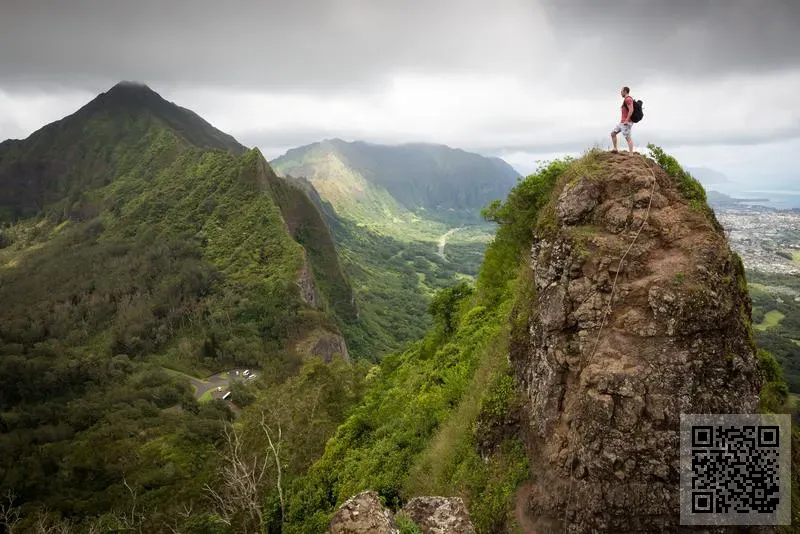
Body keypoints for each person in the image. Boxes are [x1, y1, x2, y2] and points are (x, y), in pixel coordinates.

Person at [611, 86, 635, 153]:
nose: (621, 93)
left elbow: (631, 110)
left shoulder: (628, 99)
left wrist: (627, 120)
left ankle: (631, 154)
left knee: (628, 138)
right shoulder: (626, 99)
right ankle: (615, 149)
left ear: (625, 91)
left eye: (621, 91)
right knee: (613, 134)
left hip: (626, 123)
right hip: (622, 122)